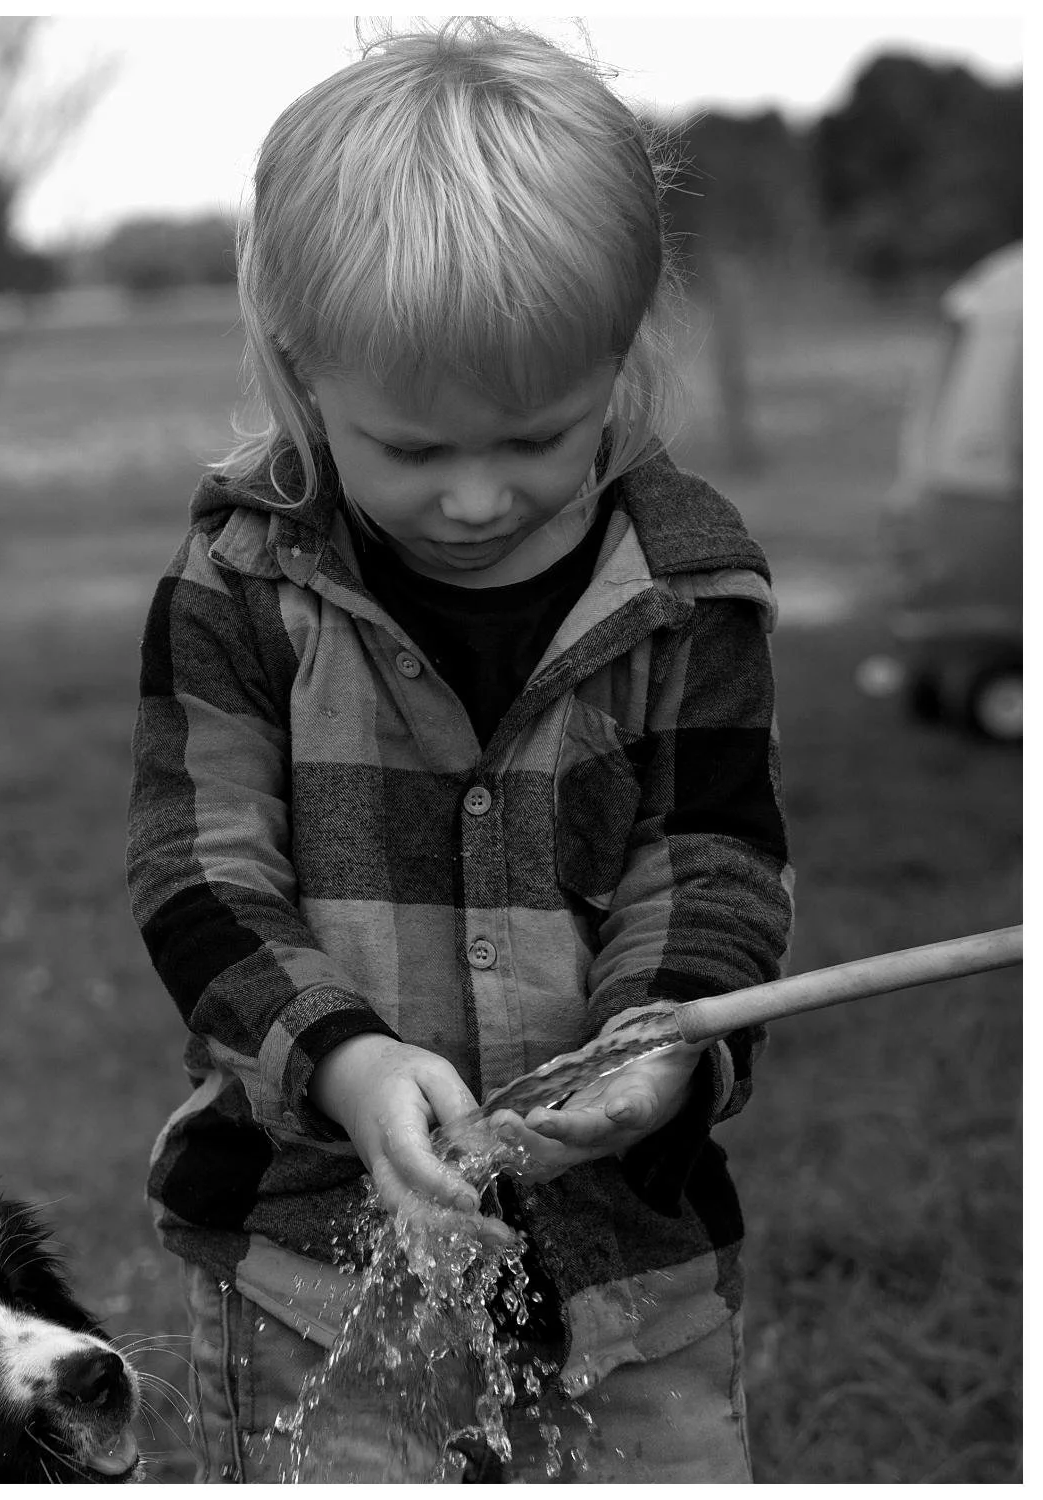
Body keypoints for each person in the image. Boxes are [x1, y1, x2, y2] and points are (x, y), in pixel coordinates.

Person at [125, 19, 793, 1483]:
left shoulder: (695, 585)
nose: (481, 499)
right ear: (302, 372)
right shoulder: (242, 580)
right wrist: (349, 1065)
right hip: (310, 1259)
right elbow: (199, 872)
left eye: (541, 439)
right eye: (415, 451)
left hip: (628, 1260)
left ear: (619, 359)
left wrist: (667, 1042)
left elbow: (714, 859)